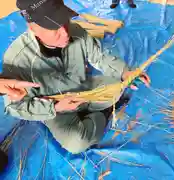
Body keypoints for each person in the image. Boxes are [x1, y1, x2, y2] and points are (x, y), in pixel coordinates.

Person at [2, 0, 150, 154]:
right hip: (55, 107)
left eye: (64, 21)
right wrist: (55, 107)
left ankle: (95, 113)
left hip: (84, 88)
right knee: (77, 142)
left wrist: (125, 72)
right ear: (32, 28)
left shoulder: (76, 31)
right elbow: (15, 107)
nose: (65, 33)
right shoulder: (16, 60)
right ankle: (101, 116)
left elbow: (99, 56)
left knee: (120, 88)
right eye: (54, 29)